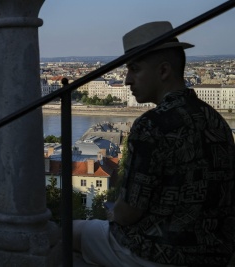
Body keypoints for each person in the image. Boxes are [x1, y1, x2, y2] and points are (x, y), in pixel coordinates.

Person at [73, 21, 235, 267]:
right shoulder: (216, 120)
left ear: (163, 71)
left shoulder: (150, 125)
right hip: (217, 252)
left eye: (134, 69)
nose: (127, 80)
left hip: (159, 253)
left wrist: (113, 212)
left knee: (65, 233)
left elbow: (128, 213)